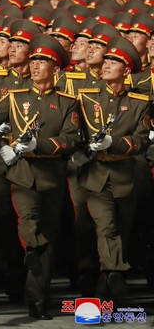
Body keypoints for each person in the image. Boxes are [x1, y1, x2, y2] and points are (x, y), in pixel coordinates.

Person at [0, 34, 79, 320]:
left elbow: (70, 140)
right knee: (28, 221)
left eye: (42, 62)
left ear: (55, 69)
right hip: (22, 173)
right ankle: (30, 246)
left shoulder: (68, 102)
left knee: (48, 237)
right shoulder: (14, 98)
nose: (34, 66)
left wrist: (40, 145)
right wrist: (4, 150)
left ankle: (37, 298)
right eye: (33, 61)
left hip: (51, 175)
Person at [73, 36, 150, 300]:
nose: (106, 65)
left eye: (114, 61)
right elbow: (75, 134)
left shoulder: (140, 103)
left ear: (127, 71)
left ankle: (107, 290)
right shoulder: (86, 99)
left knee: (121, 232)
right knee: (106, 227)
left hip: (125, 176)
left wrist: (114, 143)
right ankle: (115, 270)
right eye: (106, 60)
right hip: (95, 175)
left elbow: (140, 141)